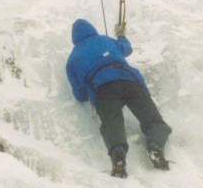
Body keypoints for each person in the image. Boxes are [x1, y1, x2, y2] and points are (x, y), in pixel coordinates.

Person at [66, 18, 172, 178]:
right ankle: (155, 147)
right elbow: (127, 48)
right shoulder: (106, 40)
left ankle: (118, 156)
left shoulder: (72, 59)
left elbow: (80, 95)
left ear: (74, 38)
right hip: (130, 81)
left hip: (103, 90)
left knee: (112, 125)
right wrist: (121, 34)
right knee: (153, 121)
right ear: (92, 29)